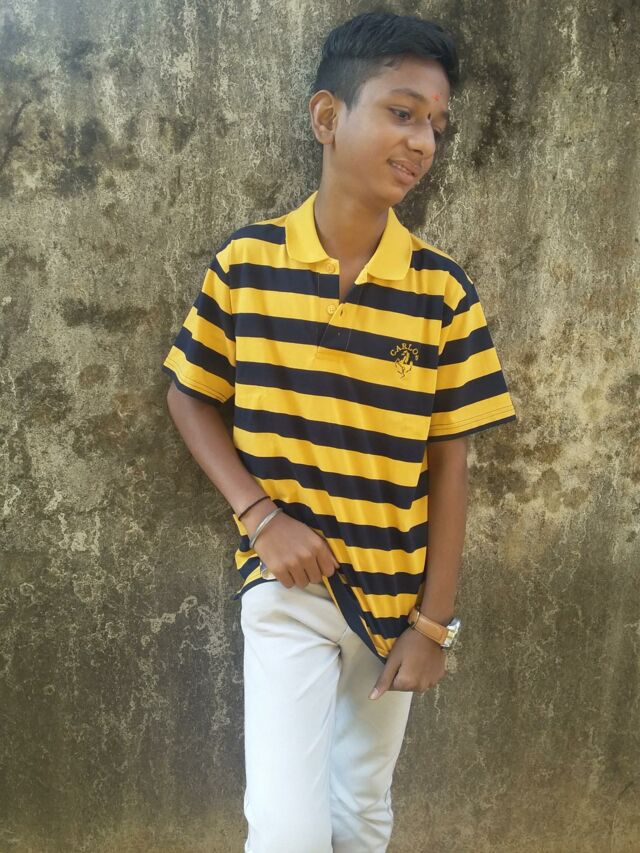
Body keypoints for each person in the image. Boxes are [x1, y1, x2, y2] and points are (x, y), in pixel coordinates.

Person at [162, 10, 517, 852]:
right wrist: (260, 516)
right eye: (401, 112)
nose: (423, 140)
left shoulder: (442, 293)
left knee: (360, 812)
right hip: (288, 590)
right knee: (284, 828)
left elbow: (450, 464)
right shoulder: (248, 265)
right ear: (328, 116)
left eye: (436, 124)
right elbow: (188, 393)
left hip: (395, 607)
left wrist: (433, 626)